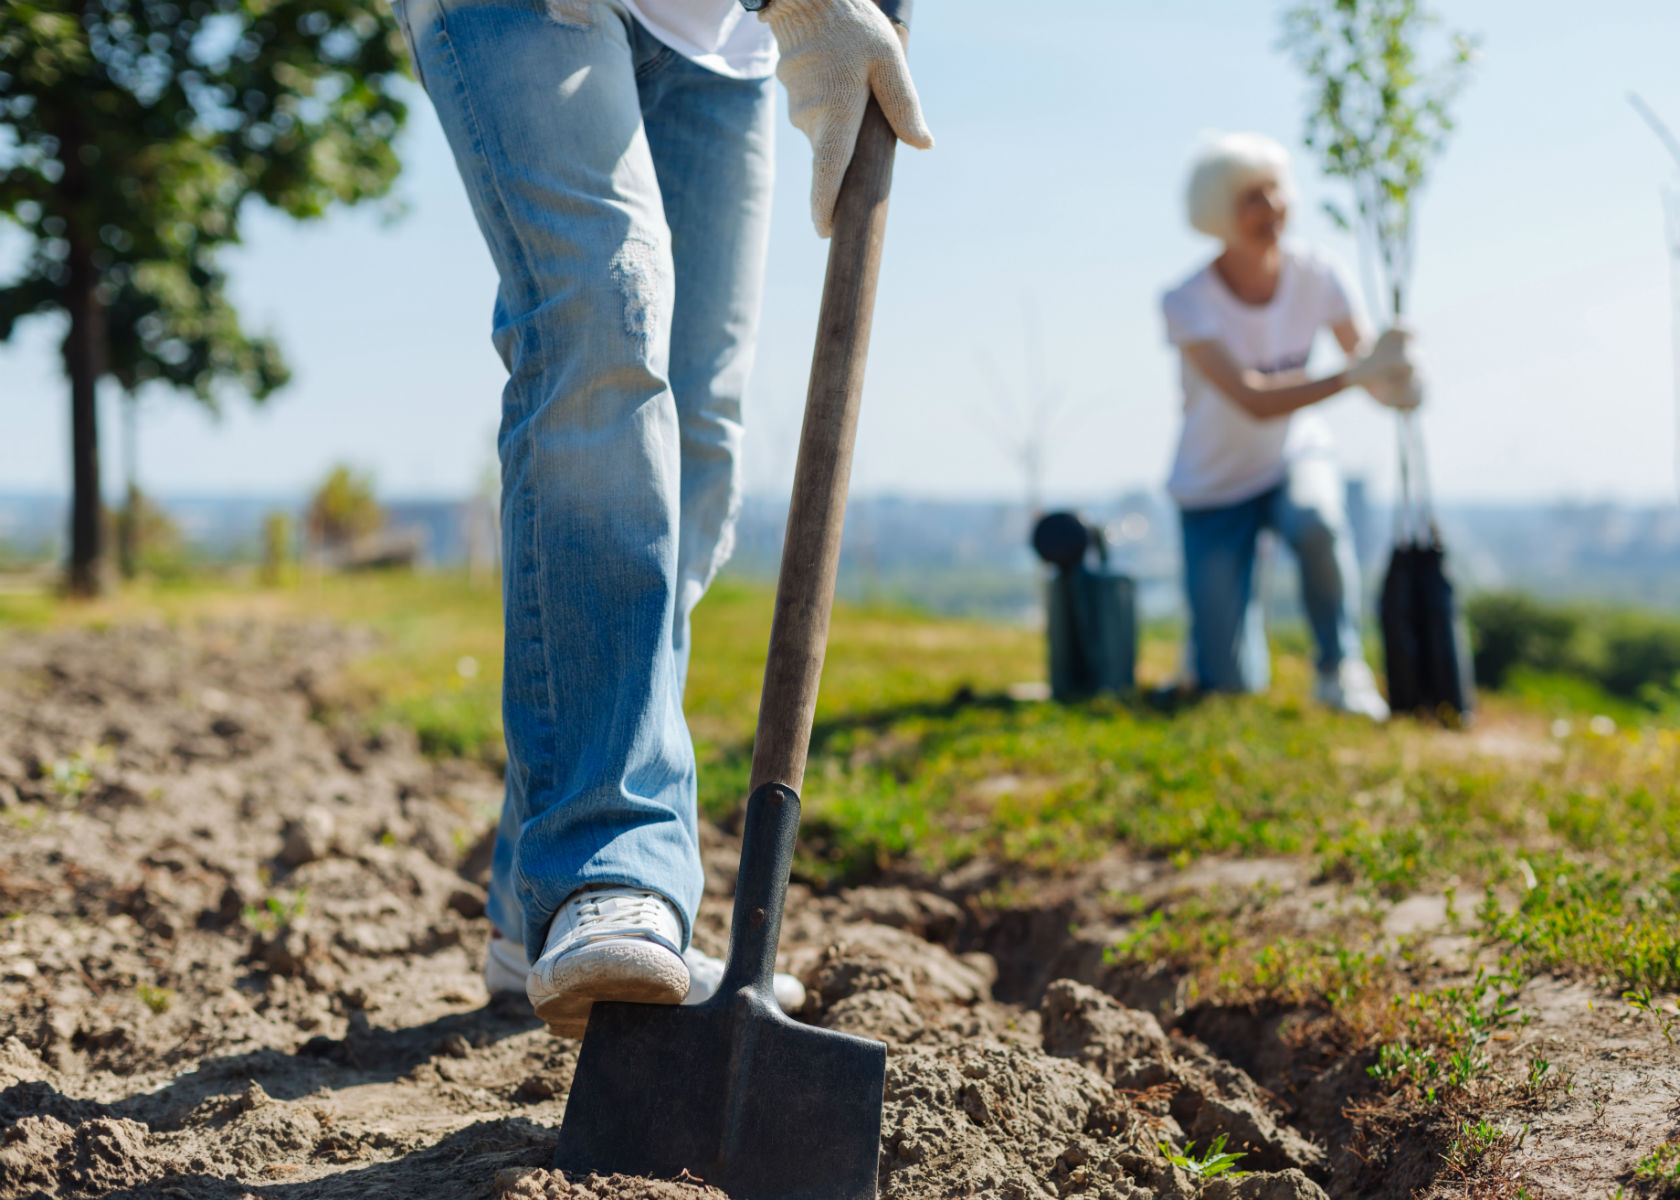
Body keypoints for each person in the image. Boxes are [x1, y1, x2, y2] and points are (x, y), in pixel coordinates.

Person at [386, 0, 932, 1035]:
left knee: (697, 447)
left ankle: (531, 907)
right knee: (604, 314)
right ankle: (609, 860)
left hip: (716, 39)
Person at [1160, 132, 1420, 718]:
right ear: (1218, 211)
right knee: (1227, 686)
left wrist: (1402, 384)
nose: (1269, 208)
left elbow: (1371, 369)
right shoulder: (1187, 301)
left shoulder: (1319, 274)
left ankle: (1339, 668)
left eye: (1274, 191)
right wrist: (1358, 375)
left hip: (1291, 457)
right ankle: (1212, 641)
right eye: (1250, 197)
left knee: (1318, 524)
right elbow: (1252, 400)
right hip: (1213, 483)